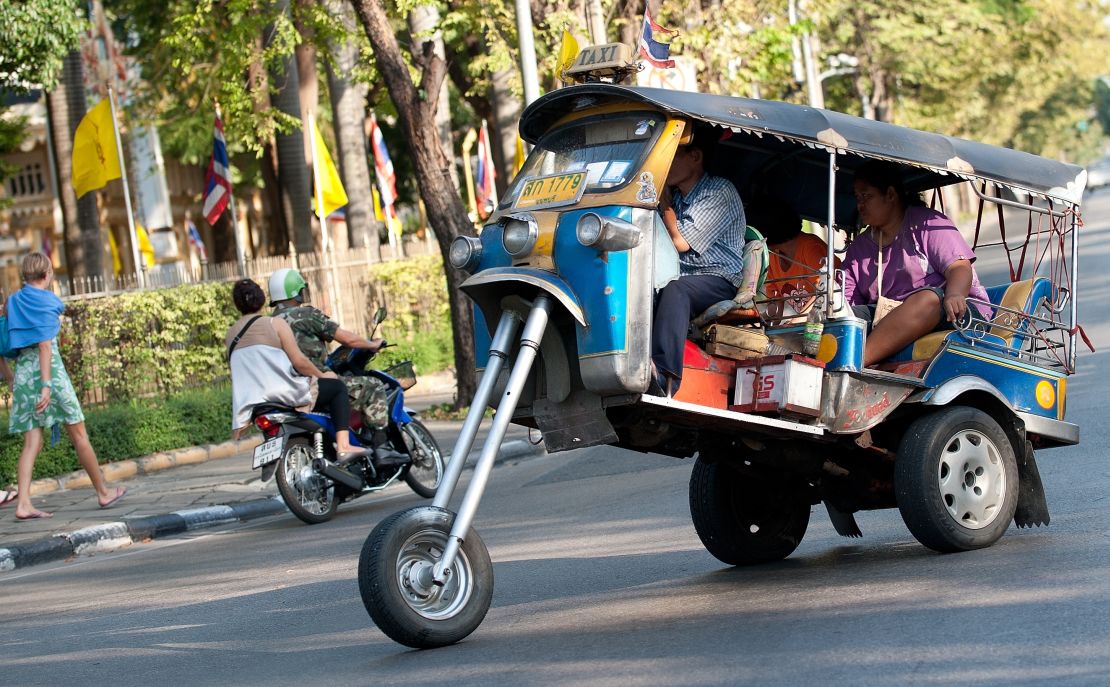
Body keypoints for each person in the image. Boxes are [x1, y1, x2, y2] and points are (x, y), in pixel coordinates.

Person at [0, 252, 126, 520]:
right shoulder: (48, 301)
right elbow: (45, 346)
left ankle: (23, 503)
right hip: (51, 376)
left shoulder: (11, 302)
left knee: (32, 442)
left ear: (25, 276)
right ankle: (103, 492)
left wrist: (9, 376)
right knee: (79, 435)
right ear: (47, 275)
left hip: (23, 375)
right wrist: (46, 386)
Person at [844, 160, 992, 367]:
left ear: (890, 195)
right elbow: (850, 302)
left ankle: (853, 364)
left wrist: (955, 294)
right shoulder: (858, 247)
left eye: (867, 196)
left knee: (927, 299)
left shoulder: (928, 224)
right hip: (887, 316)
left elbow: (959, 267)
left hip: (952, 312)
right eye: (857, 197)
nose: (860, 204)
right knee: (841, 317)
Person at [226, 279, 369, 461]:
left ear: (237, 304)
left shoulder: (231, 335)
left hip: (254, 403)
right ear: (262, 299)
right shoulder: (274, 324)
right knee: (337, 388)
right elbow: (299, 361)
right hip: (283, 394)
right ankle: (344, 445)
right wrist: (322, 375)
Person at [652, 127, 746, 394]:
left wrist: (666, 207)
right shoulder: (678, 196)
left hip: (717, 279)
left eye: (673, 157)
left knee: (675, 289)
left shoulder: (718, 191)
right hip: (682, 274)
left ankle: (665, 375)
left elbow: (680, 242)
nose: (666, 166)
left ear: (695, 156)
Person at [267, 269, 391, 433]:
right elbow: (347, 339)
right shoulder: (307, 315)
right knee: (374, 386)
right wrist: (371, 345)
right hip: (315, 383)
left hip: (285, 388)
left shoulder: (268, 323)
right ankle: (382, 448)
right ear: (296, 293)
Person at [754, 202, 839, 318]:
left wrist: (798, 320)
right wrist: (761, 322)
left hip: (831, 315)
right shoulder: (772, 257)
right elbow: (775, 305)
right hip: (810, 322)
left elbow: (823, 292)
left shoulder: (810, 247)